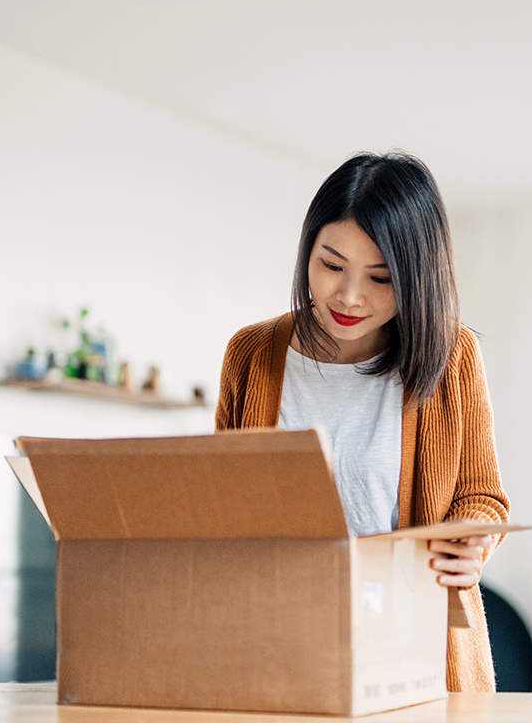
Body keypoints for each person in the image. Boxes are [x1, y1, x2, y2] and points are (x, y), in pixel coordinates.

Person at [215, 151, 510, 692]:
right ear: (307, 252)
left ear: (418, 279)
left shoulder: (452, 355)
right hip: (282, 648)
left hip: (416, 653)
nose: (350, 297)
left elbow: (482, 497)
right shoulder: (251, 355)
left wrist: (469, 548)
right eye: (331, 265)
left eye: (380, 277)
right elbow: (225, 501)